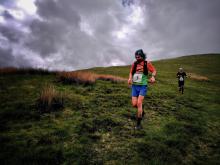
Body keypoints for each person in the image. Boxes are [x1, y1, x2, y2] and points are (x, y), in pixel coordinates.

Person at [128, 49, 156, 130]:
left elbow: (154, 70)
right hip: (134, 86)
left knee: (139, 103)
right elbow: (131, 72)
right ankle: (142, 112)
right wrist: (130, 78)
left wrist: (153, 76)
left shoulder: (147, 63)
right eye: (136, 56)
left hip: (143, 86)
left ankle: (138, 124)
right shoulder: (134, 64)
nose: (137, 58)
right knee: (134, 104)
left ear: (142, 56)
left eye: (139, 56)